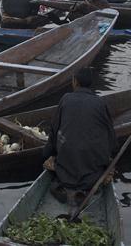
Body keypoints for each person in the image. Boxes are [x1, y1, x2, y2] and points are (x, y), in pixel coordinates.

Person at [42, 67, 117, 202]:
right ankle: (83, 189)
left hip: (65, 170)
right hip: (93, 173)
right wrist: (109, 159)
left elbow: (54, 133)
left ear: (75, 82)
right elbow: (111, 138)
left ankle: (67, 188)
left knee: (59, 156)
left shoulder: (65, 99)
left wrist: (46, 154)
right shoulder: (100, 103)